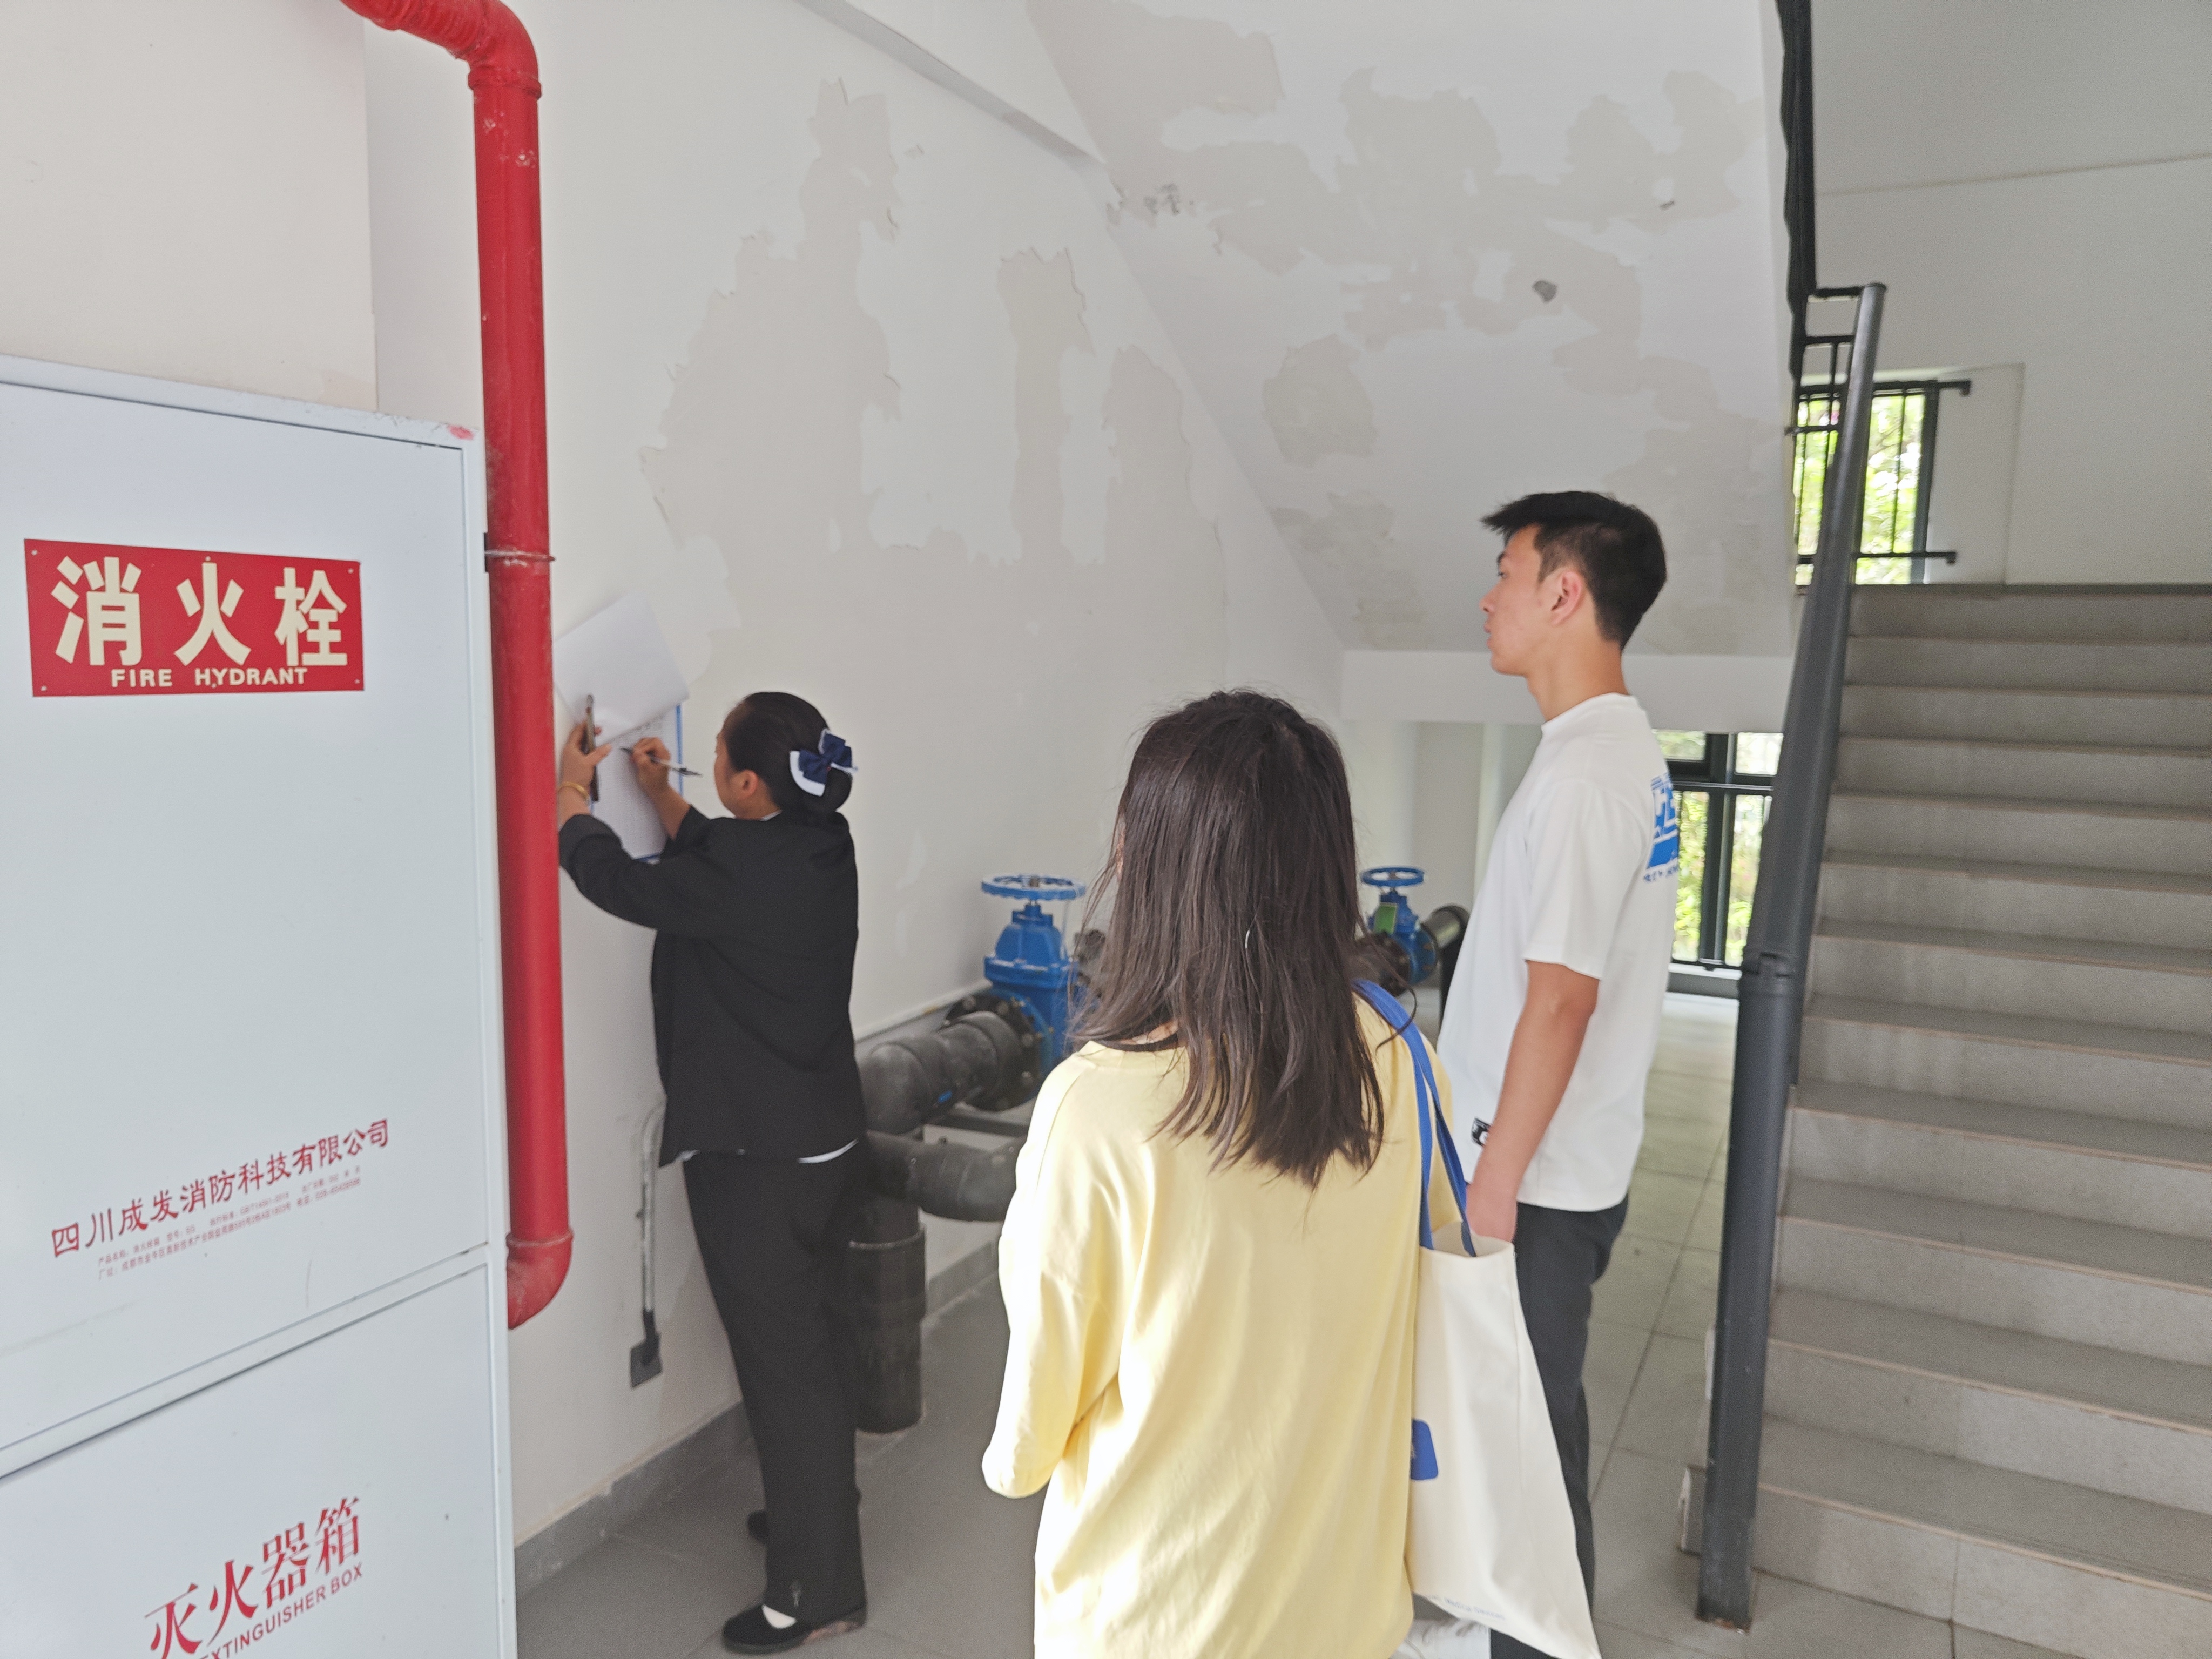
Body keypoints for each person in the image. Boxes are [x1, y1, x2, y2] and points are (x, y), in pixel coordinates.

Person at [982, 690, 1464, 1659]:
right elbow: (1431, 1278)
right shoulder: (1401, 1059)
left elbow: (1030, 1440)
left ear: (1151, 863)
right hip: (1349, 1613)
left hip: (1158, 1624)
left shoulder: (1098, 1107)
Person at [557, 692, 868, 1655]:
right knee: (813, 1349)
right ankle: (820, 1514)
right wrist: (661, 795)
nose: (710, 757)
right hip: (825, 1141)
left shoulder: (737, 868)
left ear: (746, 784)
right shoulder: (823, 842)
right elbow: (726, 862)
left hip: (757, 1162)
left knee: (786, 1372)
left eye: (719, 750)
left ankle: (814, 1592)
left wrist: (572, 797)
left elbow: (615, 880)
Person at [1434, 492, 1680, 1658]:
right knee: (1529, 1422)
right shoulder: (1606, 754)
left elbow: (1563, 998)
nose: (1489, 598)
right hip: (1555, 1169)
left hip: (1531, 1185)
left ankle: (1535, 1648)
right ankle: (1509, 1635)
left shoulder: (1588, 776)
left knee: (1525, 1441)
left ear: (1564, 592)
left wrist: (1492, 1188)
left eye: (1506, 572)